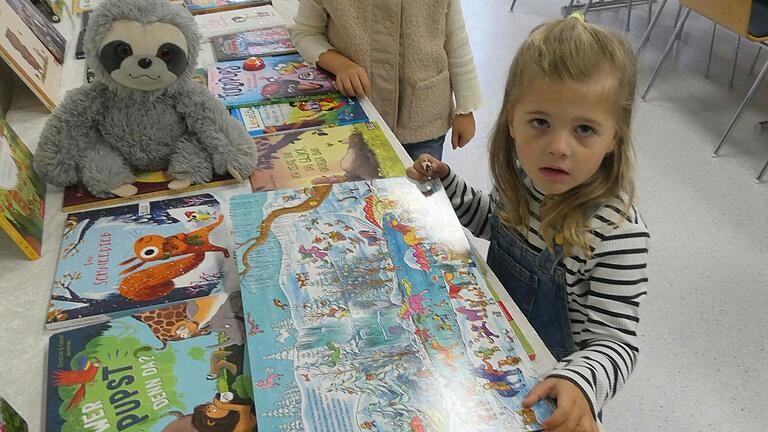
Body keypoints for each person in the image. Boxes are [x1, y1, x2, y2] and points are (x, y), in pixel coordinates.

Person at [408, 15, 649, 432]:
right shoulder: (525, 177)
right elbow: (489, 220)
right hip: (494, 352)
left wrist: (579, 382)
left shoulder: (618, 232)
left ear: (615, 138)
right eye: (540, 122)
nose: (558, 147)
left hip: (556, 391)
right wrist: (447, 184)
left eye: (585, 129)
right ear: (512, 122)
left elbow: (615, 341)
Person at [289, 0, 483, 161]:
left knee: (421, 196)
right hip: (355, 115)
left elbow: (456, 40)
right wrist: (340, 65)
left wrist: (465, 108)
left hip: (422, 120)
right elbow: (306, 32)